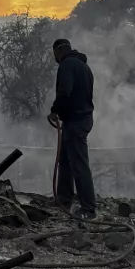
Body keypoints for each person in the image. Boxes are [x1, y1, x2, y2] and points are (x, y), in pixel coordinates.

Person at [47, 38, 96, 219]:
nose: (55, 58)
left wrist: (55, 111)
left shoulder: (66, 65)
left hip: (76, 121)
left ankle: (88, 209)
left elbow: (64, 91)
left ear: (58, 51)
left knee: (79, 165)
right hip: (80, 119)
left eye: (54, 54)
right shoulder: (84, 67)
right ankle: (64, 198)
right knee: (65, 161)